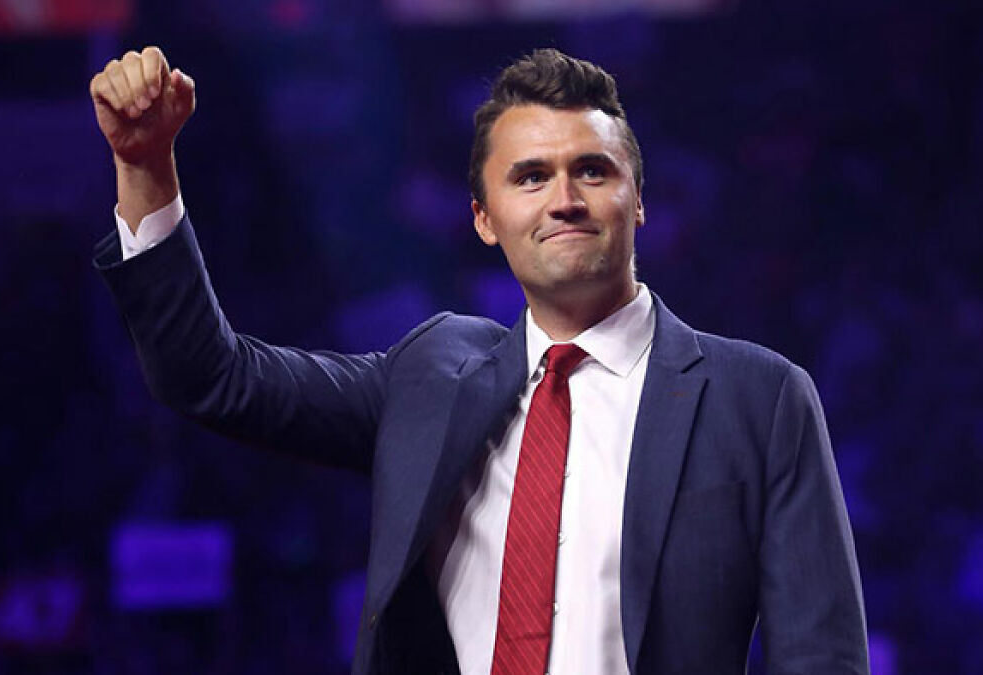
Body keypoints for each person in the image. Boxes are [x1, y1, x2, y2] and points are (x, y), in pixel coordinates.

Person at [89, 46, 868, 674]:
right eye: (530, 177)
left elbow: (822, 657)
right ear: (485, 220)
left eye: (591, 171)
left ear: (638, 200)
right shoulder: (429, 375)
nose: (564, 198)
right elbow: (210, 376)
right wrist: (145, 168)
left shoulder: (758, 398)